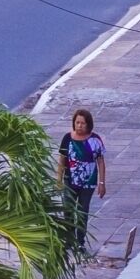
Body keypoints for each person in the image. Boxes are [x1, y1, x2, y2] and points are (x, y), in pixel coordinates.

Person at [56, 109, 107, 258]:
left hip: (88, 182)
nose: (79, 126)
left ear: (88, 124)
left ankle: (80, 242)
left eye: (82, 123)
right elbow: (62, 160)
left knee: (82, 211)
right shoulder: (67, 138)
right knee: (68, 211)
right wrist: (58, 179)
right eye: (77, 122)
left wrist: (101, 182)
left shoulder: (95, 140)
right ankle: (68, 240)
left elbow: (100, 161)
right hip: (70, 181)